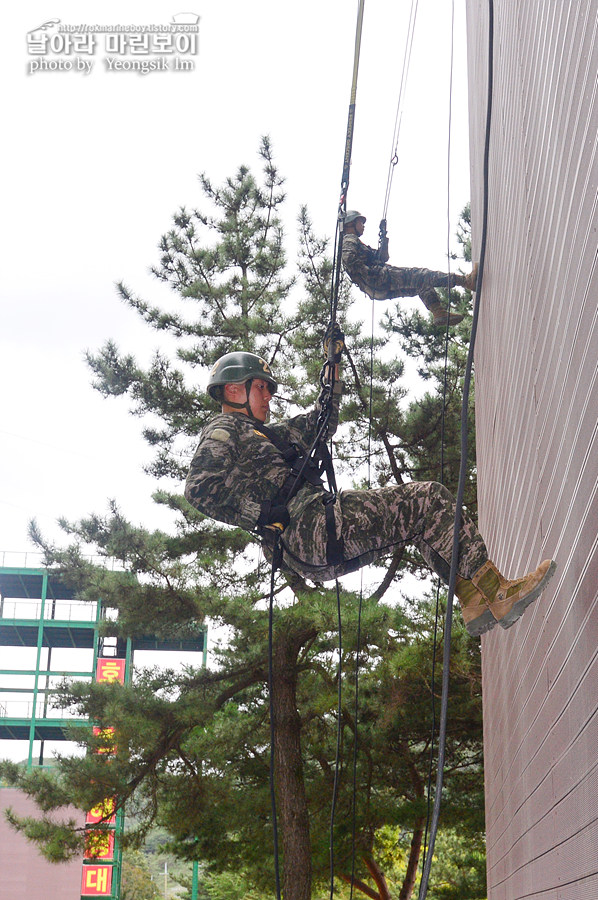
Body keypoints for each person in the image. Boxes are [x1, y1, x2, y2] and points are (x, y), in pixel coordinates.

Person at [185, 338, 556, 638]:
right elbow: (199, 488)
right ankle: (497, 591)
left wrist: (333, 365)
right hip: (309, 528)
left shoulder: (270, 435)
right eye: (262, 389)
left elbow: (323, 419)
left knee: (418, 522)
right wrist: (261, 515)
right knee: (427, 500)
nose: (269, 397)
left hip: (311, 539)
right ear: (234, 390)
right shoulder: (224, 430)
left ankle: (474, 597)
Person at [341, 210, 478, 326]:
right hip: (379, 279)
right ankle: (465, 281)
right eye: (360, 222)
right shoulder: (349, 239)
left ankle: (438, 312)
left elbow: (382, 258)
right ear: (350, 224)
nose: (363, 226)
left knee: (420, 284)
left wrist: (384, 239)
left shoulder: (357, 243)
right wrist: (370, 274)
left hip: (375, 289)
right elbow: (349, 259)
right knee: (421, 275)